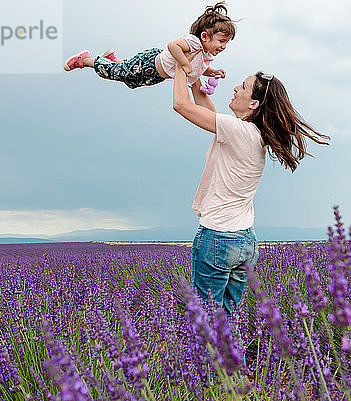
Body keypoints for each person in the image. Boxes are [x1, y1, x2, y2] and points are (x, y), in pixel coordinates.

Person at [172, 64, 330, 316]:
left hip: (218, 237)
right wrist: (195, 76)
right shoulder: (250, 133)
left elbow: (181, 105)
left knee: (209, 325)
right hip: (244, 241)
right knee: (228, 323)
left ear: (254, 104)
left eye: (243, 87)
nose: (235, 88)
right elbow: (205, 111)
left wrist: (179, 63)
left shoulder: (238, 131)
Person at [63, 2, 234, 89]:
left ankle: (113, 59)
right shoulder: (193, 42)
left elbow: (199, 67)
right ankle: (86, 60)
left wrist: (213, 71)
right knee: (118, 74)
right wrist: (184, 63)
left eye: (226, 43)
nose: (223, 47)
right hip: (151, 62)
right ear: (205, 36)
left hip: (156, 74)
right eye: (221, 41)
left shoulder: (206, 54)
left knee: (130, 80)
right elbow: (172, 45)